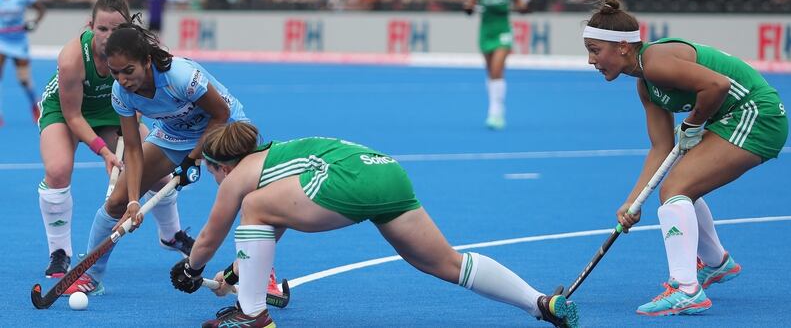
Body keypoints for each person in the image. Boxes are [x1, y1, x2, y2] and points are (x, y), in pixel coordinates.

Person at [170, 121, 580, 328]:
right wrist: (235, 272)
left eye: (212, 173)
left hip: (346, 180)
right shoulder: (276, 159)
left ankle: (252, 315)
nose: (217, 181)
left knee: (253, 204)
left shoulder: (241, 175)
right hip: (387, 172)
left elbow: (212, 233)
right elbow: (269, 229)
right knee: (446, 263)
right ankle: (541, 304)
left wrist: (192, 270)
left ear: (220, 164)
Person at [582, 0, 788, 316]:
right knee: (679, 187)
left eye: (595, 50)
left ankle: (686, 289)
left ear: (623, 46)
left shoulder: (656, 62)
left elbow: (717, 85)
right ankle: (716, 262)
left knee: (674, 189)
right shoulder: (645, 85)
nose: (591, 61)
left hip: (756, 114)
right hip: (733, 117)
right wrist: (633, 201)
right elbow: (661, 149)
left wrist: (692, 123)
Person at [63, 24, 251, 296]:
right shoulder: (121, 93)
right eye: (115, 73)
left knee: (251, 199)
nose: (123, 80)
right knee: (115, 201)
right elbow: (133, 148)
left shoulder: (180, 76)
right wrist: (133, 201)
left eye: (129, 71)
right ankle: (90, 275)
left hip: (225, 126)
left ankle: (261, 274)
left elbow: (220, 114)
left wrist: (192, 159)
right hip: (175, 132)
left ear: (147, 61)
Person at [37, 0, 195, 280]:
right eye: (102, 29)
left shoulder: (137, 52)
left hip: (113, 111)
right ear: (90, 26)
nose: (109, 36)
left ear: (128, 29)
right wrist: (105, 152)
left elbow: (143, 98)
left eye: (116, 29)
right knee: (58, 170)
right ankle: (60, 253)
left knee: (159, 172)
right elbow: (73, 116)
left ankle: (171, 235)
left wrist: (131, 125)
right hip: (66, 111)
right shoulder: (72, 58)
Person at [463, 0, 526, 130]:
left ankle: (496, 111)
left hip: (503, 31)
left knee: (498, 69)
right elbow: (470, 4)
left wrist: (522, 8)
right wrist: (468, 8)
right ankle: (495, 104)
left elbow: (519, 2)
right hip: (486, 32)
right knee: (491, 71)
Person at [0, 0, 47, 126]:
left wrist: (34, 22)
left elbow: (41, 9)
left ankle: (35, 105)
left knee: (24, 79)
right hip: (1, 39)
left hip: (18, 40)